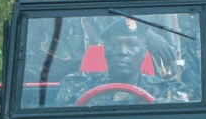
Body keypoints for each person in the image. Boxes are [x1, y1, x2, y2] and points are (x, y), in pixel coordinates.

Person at [54, 19, 188, 105]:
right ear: (105, 52)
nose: (122, 51)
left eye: (131, 45)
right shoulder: (76, 85)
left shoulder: (166, 89)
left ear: (143, 53)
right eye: (115, 45)